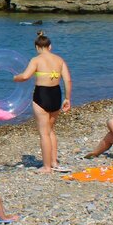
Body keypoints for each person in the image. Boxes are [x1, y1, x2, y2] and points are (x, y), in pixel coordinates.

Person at [13, 32, 72, 174]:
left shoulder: (36, 60)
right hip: (56, 94)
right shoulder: (59, 60)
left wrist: (16, 77)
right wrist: (68, 98)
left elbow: (26, 76)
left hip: (42, 95)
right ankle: (54, 162)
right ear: (50, 46)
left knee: (44, 133)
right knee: (51, 130)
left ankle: (46, 167)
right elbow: (68, 80)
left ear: (37, 47)